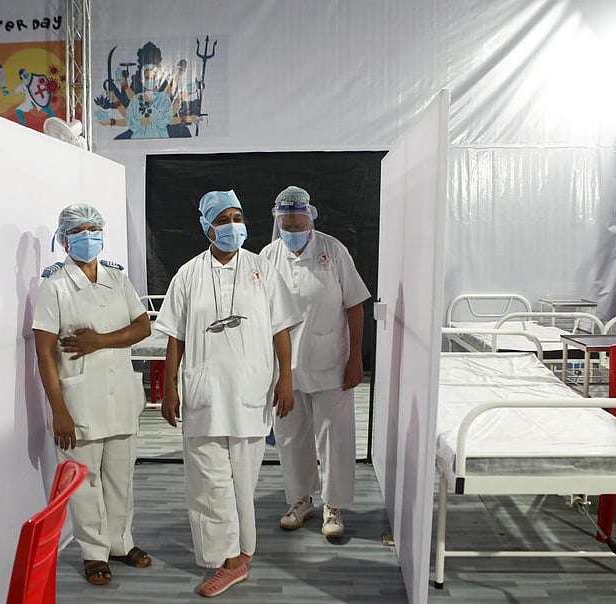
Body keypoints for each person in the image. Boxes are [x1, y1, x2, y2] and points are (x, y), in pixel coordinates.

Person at [154, 190, 301, 597]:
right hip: (203, 393)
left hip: (252, 391)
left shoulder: (262, 268)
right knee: (208, 482)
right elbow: (175, 337)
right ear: (207, 226)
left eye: (238, 216)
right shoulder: (188, 274)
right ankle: (231, 561)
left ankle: (242, 549)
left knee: (242, 483)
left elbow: (281, 327)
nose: (234, 225)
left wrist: (285, 378)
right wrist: (169, 388)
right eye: (224, 218)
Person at [32, 203, 152, 587]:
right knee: (84, 483)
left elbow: (142, 327)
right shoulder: (54, 287)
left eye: (93, 229)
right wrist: (58, 411)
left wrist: (100, 341)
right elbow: (44, 353)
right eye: (79, 231)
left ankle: (121, 543)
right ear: (65, 240)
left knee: (121, 478)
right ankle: (93, 552)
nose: (88, 237)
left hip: (121, 400)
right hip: (79, 403)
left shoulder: (117, 279)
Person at [259, 185, 371, 538]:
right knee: (291, 438)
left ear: (311, 217)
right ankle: (301, 500)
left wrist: (356, 358)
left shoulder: (332, 251)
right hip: (284, 371)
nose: (293, 232)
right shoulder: (267, 255)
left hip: (331, 364)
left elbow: (354, 304)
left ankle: (333, 507)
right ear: (278, 223)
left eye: (298, 224)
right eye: (286, 226)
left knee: (334, 438)